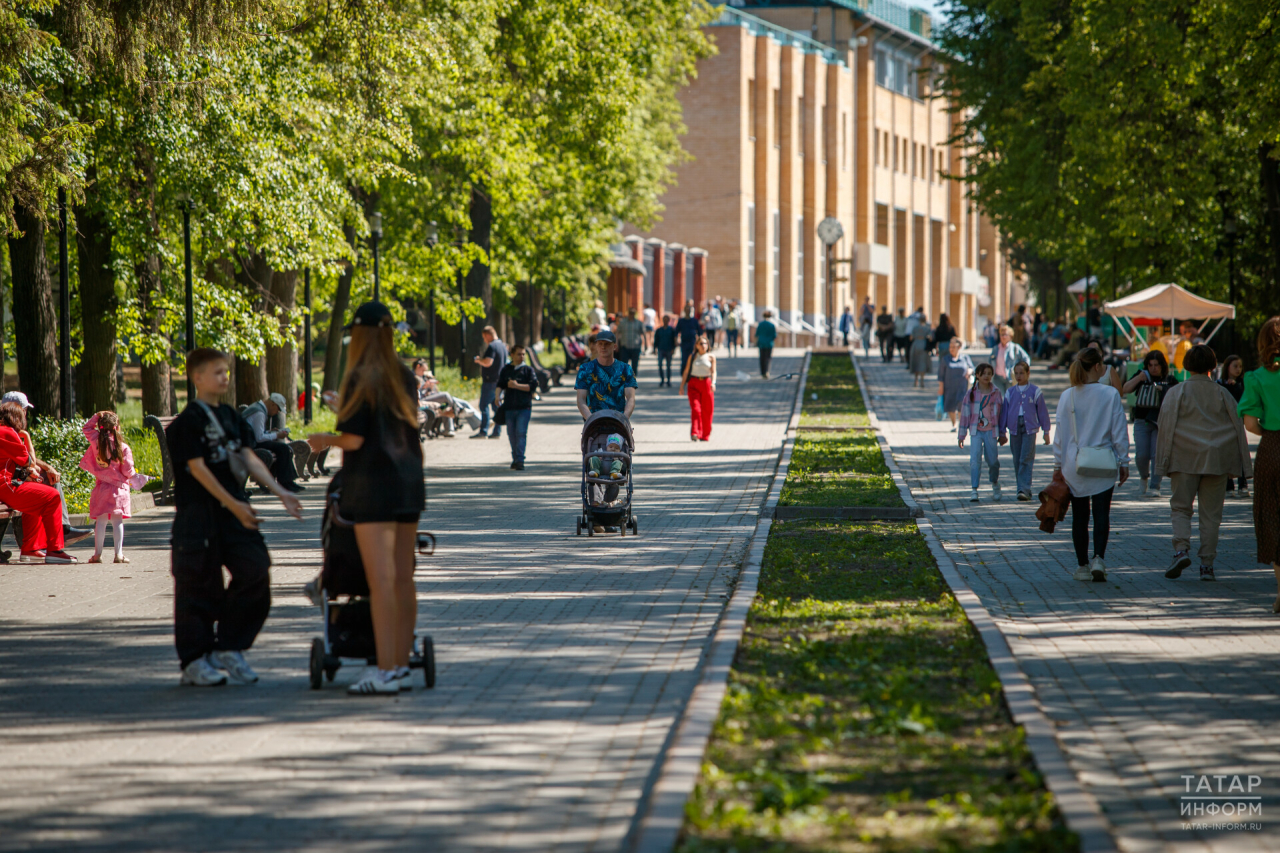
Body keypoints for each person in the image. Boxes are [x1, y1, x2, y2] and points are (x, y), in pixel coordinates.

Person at [306, 302, 424, 694]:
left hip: (372, 485)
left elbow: (355, 439)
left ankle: (384, 671)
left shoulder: (360, 376)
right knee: (403, 579)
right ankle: (401, 665)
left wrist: (324, 439)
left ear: (358, 335)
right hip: (409, 481)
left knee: (381, 581)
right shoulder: (404, 375)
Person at [168, 347, 303, 687]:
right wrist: (233, 502)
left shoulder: (230, 416)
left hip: (235, 512)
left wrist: (281, 491)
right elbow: (198, 469)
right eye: (217, 372)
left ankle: (228, 646)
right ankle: (195, 660)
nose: (225, 377)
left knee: (255, 569)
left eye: (226, 371)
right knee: (198, 588)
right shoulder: (187, 423)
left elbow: (249, 456)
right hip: (198, 517)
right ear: (197, 377)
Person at [1154, 345, 1252, 582]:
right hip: (1215, 460)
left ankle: (1181, 550)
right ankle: (1207, 565)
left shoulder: (1176, 392)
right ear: (1212, 365)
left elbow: (1164, 427)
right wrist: (1243, 466)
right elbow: (1238, 427)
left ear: (1187, 365)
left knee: (1180, 508)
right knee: (1211, 515)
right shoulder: (1223, 393)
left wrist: (1162, 463)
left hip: (1183, 459)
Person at [1052, 346, 1130, 583]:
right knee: (1101, 513)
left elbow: (1060, 435)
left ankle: (1082, 566)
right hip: (1104, 463)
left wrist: (1057, 465)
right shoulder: (1110, 394)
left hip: (1074, 465)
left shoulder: (1068, 396)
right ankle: (1099, 559)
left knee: (1080, 516)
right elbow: (1119, 431)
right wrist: (1124, 461)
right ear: (1097, 366)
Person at [0, 390, 92, 546]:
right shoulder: (8, 432)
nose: (25, 413)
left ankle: (45, 539)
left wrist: (45, 467)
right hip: (8, 481)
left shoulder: (10, 430)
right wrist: (28, 440)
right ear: (15, 409)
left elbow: (23, 459)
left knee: (45, 481)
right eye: (24, 409)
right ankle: (50, 540)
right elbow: (28, 461)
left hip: (12, 477)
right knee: (49, 491)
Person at [1238, 317, 1280, 611]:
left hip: (1273, 449)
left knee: (1272, 516)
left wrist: (1271, 433)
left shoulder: (1256, 378)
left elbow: (1250, 423)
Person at [0, 402, 75, 563]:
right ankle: (54, 550)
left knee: (38, 494)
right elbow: (30, 461)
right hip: (4, 486)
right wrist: (26, 437)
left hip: (5, 484)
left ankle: (31, 548)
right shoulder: (7, 432)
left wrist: (29, 471)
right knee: (52, 496)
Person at [79, 412, 150, 563]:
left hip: (101, 488)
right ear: (117, 427)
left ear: (100, 427)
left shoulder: (96, 442)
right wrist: (135, 477)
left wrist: (97, 415)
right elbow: (127, 470)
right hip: (119, 489)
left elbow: (87, 428)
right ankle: (118, 554)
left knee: (101, 521)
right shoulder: (123, 448)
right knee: (117, 521)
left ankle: (97, 555)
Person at [1122, 350, 1178, 498]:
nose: (1153, 368)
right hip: (1142, 420)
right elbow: (1125, 389)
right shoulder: (1142, 376)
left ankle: (1155, 486)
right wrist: (1139, 378)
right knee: (1142, 454)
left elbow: (1178, 396)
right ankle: (1143, 476)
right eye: (1150, 365)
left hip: (1160, 422)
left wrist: (1163, 389)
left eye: (1156, 365)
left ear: (1162, 365)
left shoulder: (1169, 379)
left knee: (1156, 455)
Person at [998, 361, 1051, 501]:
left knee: (1026, 458)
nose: (1018, 376)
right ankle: (1022, 488)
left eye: (1021, 373)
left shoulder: (1035, 391)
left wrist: (1046, 431)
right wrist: (1002, 432)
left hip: (1030, 429)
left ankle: (1024, 489)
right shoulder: (1010, 392)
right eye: (1016, 373)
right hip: (1014, 428)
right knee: (1017, 459)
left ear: (1028, 373)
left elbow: (1042, 412)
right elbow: (1004, 413)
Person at [242, 392, 304, 492]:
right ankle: (285, 482)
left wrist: (270, 432)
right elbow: (259, 438)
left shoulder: (257, 408)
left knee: (283, 448)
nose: (277, 412)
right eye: (278, 409)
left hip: (249, 442)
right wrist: (277, 435)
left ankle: (288, 481)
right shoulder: (260, 413)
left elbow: (257, 432)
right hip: (250, 444)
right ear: (272, 404)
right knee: (283, 448)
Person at [958, 363, 1002, 503]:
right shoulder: (971, 394)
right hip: (976, 431)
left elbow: (1002, 415)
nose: (986, 376)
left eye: (989, 373)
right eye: (983, 374)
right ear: (977, 375)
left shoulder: (996, 393)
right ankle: (974, 489)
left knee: (993, 461)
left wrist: (1002, 433)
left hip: (991, 432)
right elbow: (965, 415)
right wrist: (961, 435)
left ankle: (995, 483)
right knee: (975, 460)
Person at [575, 330, 638, 420]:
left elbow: (631, 398)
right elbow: (581, 399)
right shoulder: (585, 369)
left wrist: (624, 419)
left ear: (614, 346)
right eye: (600, 344)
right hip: (593, 422)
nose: (603, 347)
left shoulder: (626, 369)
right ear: (596, 346)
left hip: (618, 421)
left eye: (607, 344)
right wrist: (591, 419)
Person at [497, 344, 537, 470]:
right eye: (519, 354)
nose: (522, 356)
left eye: (523, 354)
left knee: (521, 433)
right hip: (509, 407)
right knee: (511, 434)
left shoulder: (528, 370)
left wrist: (516, 385)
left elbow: (532, 386)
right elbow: (500, 384)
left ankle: (520, 460)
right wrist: (497, 396)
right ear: (512, 355)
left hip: (524, 408)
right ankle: (515, 458)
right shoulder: (506, 369)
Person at [1219, 354, 1249, 497]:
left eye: (1240, 367)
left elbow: (1245, 400)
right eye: (1235, 366)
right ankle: (1228, 486)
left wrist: (1236, 386)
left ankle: (1243, 485)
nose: (1238, 369)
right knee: (1225, 454)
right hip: (1223, 424)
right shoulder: (1219, 384)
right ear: (1227, 367)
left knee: (1241, 453)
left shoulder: (1243, 383)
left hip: (1238, 423)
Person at [472, 325, 507, 439]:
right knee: (496, 407)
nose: (484, 340)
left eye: (484, 337)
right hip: (500, 380)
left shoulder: (492, 346)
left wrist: (479, 360)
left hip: (491, 381)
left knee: (483, 405)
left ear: (488, 335)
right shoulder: (502, 345)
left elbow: (488, 362)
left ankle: (483, 431)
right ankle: (497, 431)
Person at [680, 335, 717, 442]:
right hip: (694, 384)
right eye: (701, 343)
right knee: (696, 409)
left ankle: (705, 435)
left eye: (705, 343)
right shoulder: (692, 356)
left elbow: (714, 371)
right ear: (696, 345)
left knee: (707, 410)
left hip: (706, 384)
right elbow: (686, 371)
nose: (703, 345)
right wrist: (682, 386)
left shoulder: (711, 357)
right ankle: (695, 432)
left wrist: (713, 383)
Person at [413, 359, 458, 437]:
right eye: (423, 370)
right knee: (443, 399)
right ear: (418, 366)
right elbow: (416, 394)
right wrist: (424, 387)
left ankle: (453, 411)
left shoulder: (424, 377)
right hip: (421, 401)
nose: (424, 372)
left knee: (448, 401)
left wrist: (431, 387)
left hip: (426, 399)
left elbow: (430, 392)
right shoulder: (412, 377)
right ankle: (455, 411)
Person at [937, 337, 974, 433]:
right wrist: (941, 387)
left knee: (962, 405)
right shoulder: (945, 359)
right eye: (950, 347)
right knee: (950, 406)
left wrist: (970, 371)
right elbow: (941, 375)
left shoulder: (965, 358)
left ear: (959, 347)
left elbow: (972, 367)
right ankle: (954, 424)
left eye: (954, 347)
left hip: (962, 386)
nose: (951, 349)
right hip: (949, 386)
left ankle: (961, 424)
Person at [989, 324, 1030, 392]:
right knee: (1000, 397)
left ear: (1010, 336)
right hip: (998, 379)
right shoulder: (996, 348)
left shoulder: (1015, 348)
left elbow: (1026, 358)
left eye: (1005, 334)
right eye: (1002, 335)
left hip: (1011, 378)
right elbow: (990, 362)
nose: (1003, 337)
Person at [616, 307, 645, 376]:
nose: (631, 315)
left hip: (635, 347)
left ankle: (633, 379)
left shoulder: (639, 323)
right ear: (628, 313)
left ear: (635, 314)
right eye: (630, 313)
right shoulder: (622, 322)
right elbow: (617, 333)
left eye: (633, 313)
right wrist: (616, 344)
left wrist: (644, 346)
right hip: (625, 347)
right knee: (624, 366)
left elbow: (643, 334)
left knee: (634, 366)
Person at [676, 302, 703, 376]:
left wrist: (700, 341)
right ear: (685, 311)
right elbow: (676, 331)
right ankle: (684, 375)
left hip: (692, 343)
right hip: (684, 343)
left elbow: (699, 332)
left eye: (689, 310)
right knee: (684, 360)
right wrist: (676, 340)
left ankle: (692, 375)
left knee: (692, 359)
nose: (688, 312)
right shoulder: (681, 321)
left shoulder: (694, 321)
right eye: (686, 310)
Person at [909, 313, 933, 387]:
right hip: (924, 345)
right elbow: (931, 338)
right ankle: (922, 381)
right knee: (922, 363)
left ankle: (916, 380)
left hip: (916, 344)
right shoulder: (927, 328)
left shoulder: (915, 327)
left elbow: (911, 337)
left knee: (916, 362)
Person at [654, 314, 677, 388]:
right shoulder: (659, 330)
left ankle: (668, 380)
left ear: (669, 321)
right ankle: (662, 380)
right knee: (660, 365)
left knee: (668, 366)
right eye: (664, 320)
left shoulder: (672, 330)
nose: (665, 321)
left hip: (669, 349)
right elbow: (656, 340)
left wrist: (673, 349)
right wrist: (655, 349)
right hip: (661, 349)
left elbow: (674, 340)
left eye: (667, 320)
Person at [755, 310, 777, 379]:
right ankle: (767, 371)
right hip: (769, 344)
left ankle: (762, 372)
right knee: (768, 358)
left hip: (761, 343)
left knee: (762, 358)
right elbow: (774, 335)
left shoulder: (760, 324)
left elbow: (757, 334)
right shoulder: (772, 325)